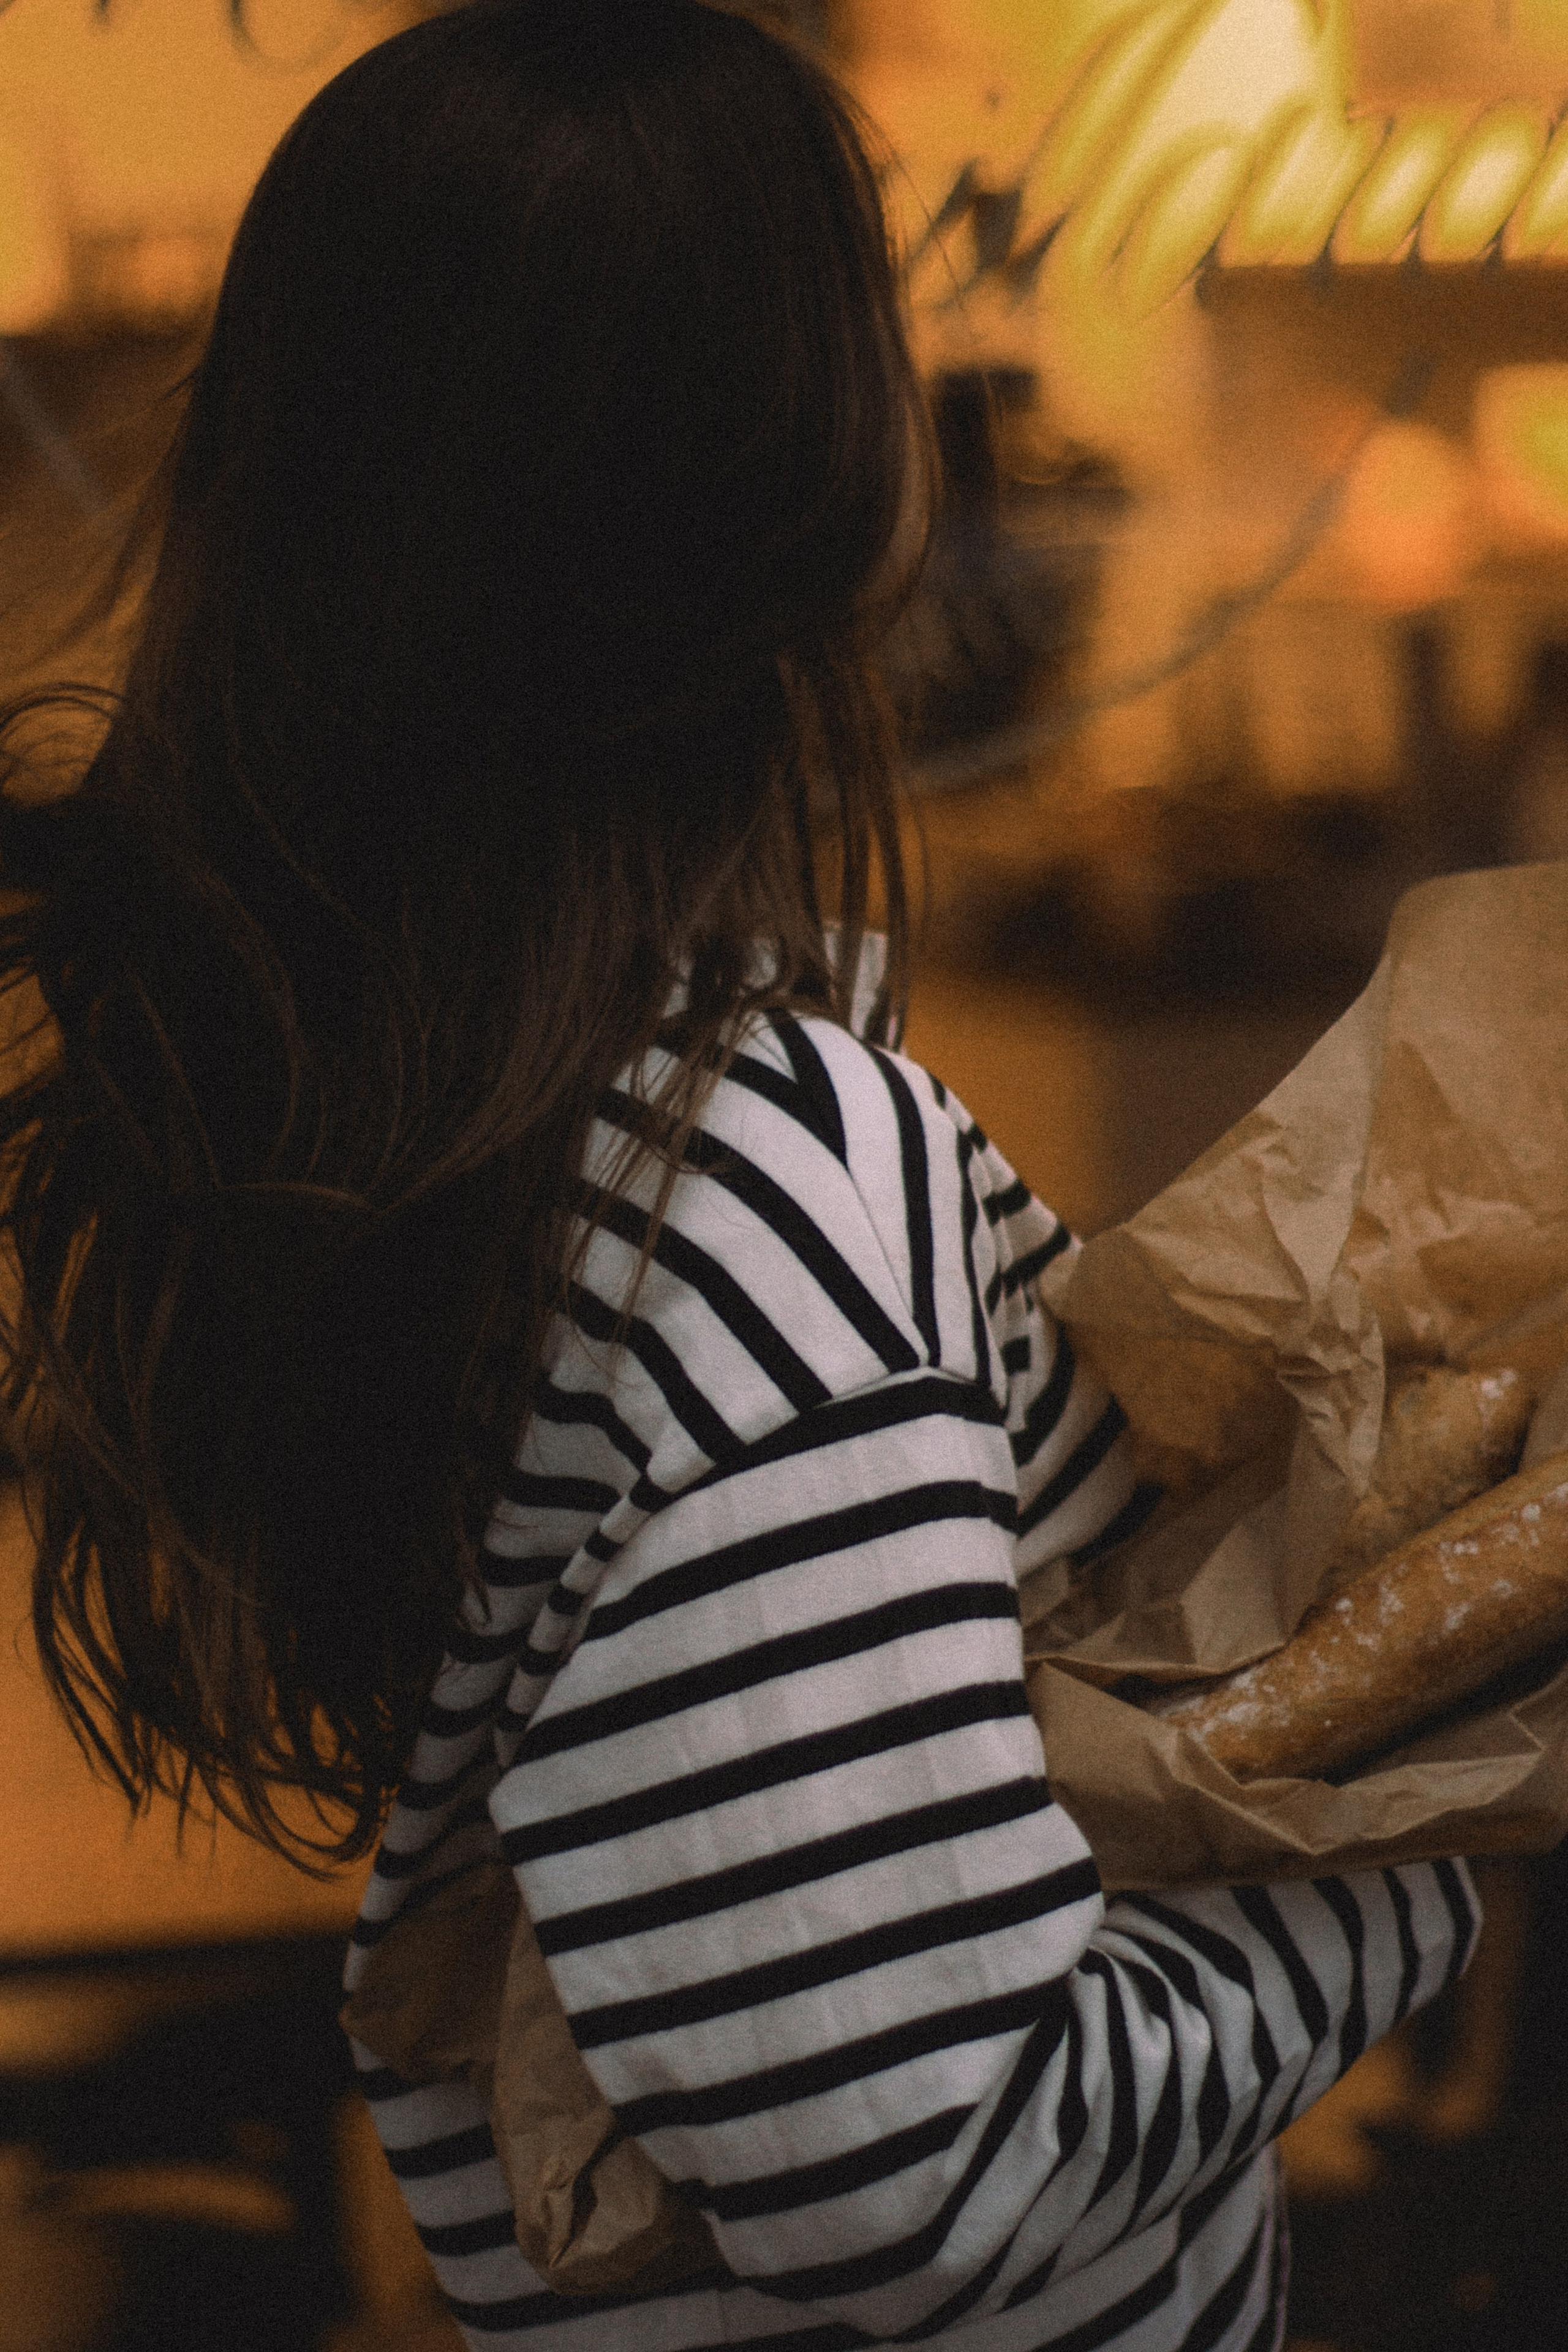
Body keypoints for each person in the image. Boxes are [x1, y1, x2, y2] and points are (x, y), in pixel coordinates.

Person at [0, 3, 1477, 2348]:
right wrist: (1429, 1853)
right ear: (793, 471)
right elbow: (932, 2180)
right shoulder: (766, 1182)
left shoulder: (480, 1115)